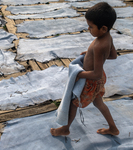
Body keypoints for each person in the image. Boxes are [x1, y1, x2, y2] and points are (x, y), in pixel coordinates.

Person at [51, 2, 119, 136]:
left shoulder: (100, 45)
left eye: (91, 27)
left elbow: (96, 74)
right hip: (97, 82)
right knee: (99, 104)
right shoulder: (107, 37)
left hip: (90, 81)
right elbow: (113, 55)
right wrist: (90, 55)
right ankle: (113, 128)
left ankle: (65, 129)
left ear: (103, 28)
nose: (88, 29)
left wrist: (79, 75)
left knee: (73, 104)